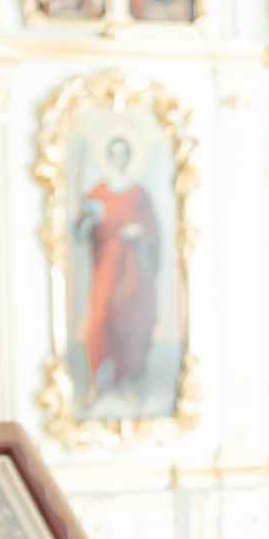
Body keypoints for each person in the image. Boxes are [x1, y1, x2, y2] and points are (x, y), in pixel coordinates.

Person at [75, 136, 159, 413]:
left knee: (128, 320)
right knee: (98, 315)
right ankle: (95, 383)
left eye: (124, 153)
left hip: (130, 264)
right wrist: (85, 219)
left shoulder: (138, 192)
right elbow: (80, 223)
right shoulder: (98, 190)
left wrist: (139, 231)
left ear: (129, 157)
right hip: (105, 262)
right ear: (109, 157)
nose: (119, 158)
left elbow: (152, 228)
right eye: (115, 153)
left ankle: (125, 382)